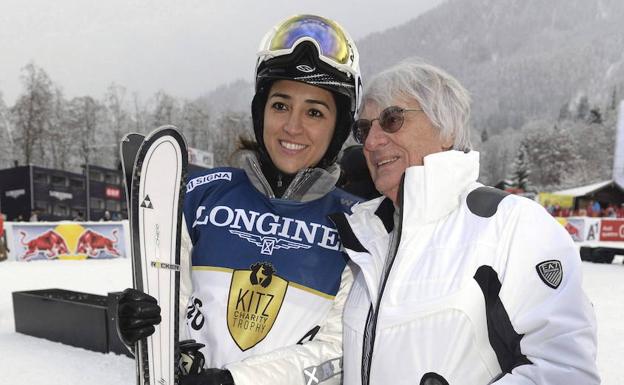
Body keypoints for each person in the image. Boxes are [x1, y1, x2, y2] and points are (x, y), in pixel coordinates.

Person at [116, 14, 362, 385]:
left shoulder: (357, 226)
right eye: (280, 105)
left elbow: (338, 353)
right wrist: (141, 331)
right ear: (260, 110)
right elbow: (171, 318)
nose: (292, 126)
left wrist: (235, 381)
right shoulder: (201, 194)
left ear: (338, 127)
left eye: (314, 111)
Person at [330, 59, 600, 385]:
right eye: (363, 129)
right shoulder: (366, 238)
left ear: (447, 130)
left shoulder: (513, 226)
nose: (371, 142)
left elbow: (567, 372)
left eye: (391, 119)